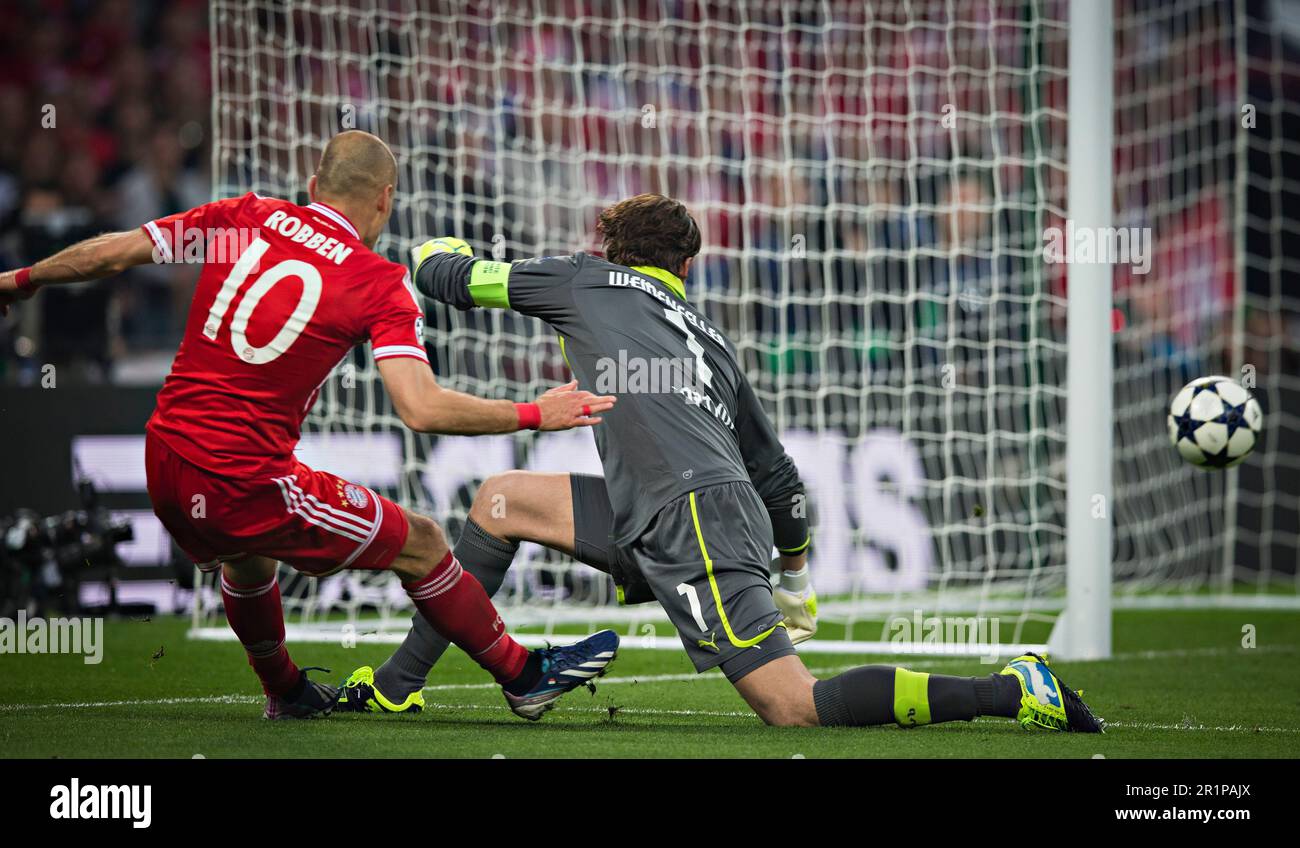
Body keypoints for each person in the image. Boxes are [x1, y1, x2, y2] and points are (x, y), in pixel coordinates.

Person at [337, 193, 1104, 733]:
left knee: (793, 707)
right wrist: (797, 579)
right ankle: (400, 685)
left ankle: (1008, 691)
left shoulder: (584, 276)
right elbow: (778, 477)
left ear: (611, 247)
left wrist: (429, 241)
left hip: (694, 518)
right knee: (500, 501)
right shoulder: (710, 339)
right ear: (686, 265)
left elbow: (453, 282)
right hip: (670, 505)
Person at [0, 131, 619, 721]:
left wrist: (19, 281)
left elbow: (111, 253)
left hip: (163, 455)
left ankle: (287, 691)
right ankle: (523, 676)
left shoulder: (242, 216)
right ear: (385, 201)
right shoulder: (377, 283)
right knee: (424, 542)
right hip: (240, 478)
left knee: (247, 560)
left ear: (313, 181)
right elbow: (422, 409)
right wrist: (537, 413)